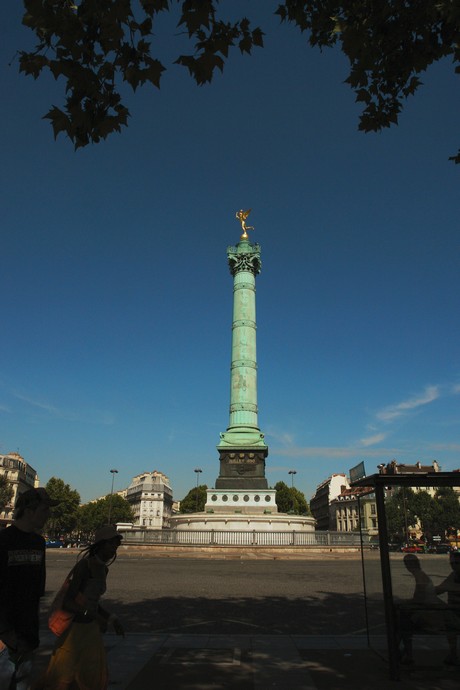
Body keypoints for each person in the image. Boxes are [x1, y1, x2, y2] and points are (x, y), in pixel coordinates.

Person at [42, 525, 125, 689]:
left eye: (116, 545)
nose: (113, 549)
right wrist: (95, 616)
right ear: (100, 544)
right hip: (74, 629)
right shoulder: (84, 567)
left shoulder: (103, 569)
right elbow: (68, 602)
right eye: (111, 544)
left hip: (90, 629)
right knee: (62, 678)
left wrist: (111, 619)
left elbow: (91, 601)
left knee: (92, 676)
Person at [0, 487, 59, 690]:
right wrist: (4, 633)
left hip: (27, 635)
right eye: (44, 509)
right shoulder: (3, 541)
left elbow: (37, 590)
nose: (48, 514)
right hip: (3, 637)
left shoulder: (38, 542)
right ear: (29, 510)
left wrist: (31, 634)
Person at [435, 551, 460, 665]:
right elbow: (440, 589)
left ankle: (453, 654)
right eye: (452, 563)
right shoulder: (453, 575)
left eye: (456, 563)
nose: (454, 565)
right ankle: (453, 653)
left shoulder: (454, 575)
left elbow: (442, 588)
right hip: (454, 613)